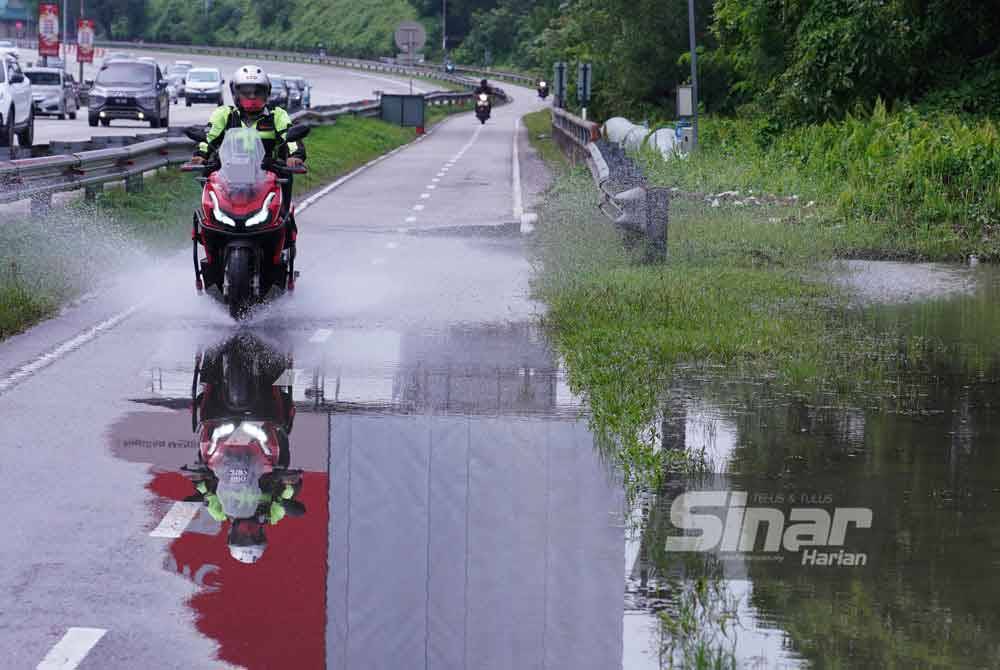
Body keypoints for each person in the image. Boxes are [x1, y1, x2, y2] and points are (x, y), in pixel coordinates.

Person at [190, 64, 306, 252]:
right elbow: (209, 136)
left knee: (282, 215)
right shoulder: (224, 114)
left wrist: (295, 156)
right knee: (209, 211)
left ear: (266, 93)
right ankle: (210, 247)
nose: (252, 97)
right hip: (226, 175)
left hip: (269, 175)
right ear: (235, 93)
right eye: (246, 92)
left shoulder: (277, 115)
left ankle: (283, 248)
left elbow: (290, 136)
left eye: (257, 92)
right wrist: (200, 155)